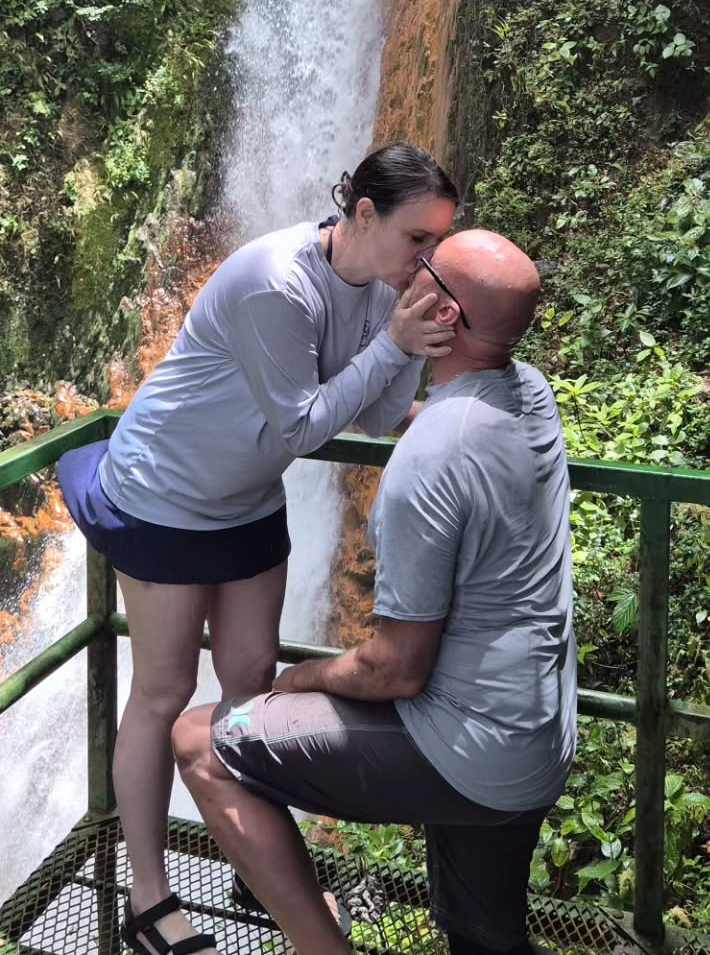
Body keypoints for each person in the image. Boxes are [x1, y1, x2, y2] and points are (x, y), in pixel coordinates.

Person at [56, 144, 459, 955]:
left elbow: (378, 420)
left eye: (440, 244)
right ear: (365, 214)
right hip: (165, 494)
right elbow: (304, 425)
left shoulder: (378, 290)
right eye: (420, 239)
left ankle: (253, 857)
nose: (430, 261)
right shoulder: (279, 283)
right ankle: (147, 896)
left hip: (244, 502)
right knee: (164, 690)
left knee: (249, 684)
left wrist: (407, 344)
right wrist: (393, 345)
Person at [170, 229, 574, 955]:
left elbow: (394, 668)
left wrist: (293, 681)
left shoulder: (430, 462)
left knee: (202, 739)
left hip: (462, 745)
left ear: (443, 315)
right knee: (483, 939)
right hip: (538, 735)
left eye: (421, 268)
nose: (403, 273)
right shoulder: (531, 393)